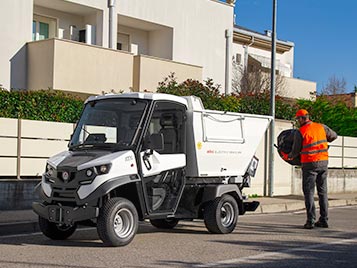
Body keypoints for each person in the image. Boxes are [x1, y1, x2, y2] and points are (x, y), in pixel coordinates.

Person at [284, 109, 337, 229]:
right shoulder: (321, 127)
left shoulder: (301, 132)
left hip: (309, 164)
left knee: (309, 192)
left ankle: (311, 220)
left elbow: (296, 150)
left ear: (302, 118)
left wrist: (288, 156)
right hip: (323, 162)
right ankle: (324, 219)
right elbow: (334, 136)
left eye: (298, 119)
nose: (298, 122)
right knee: (323, 192)